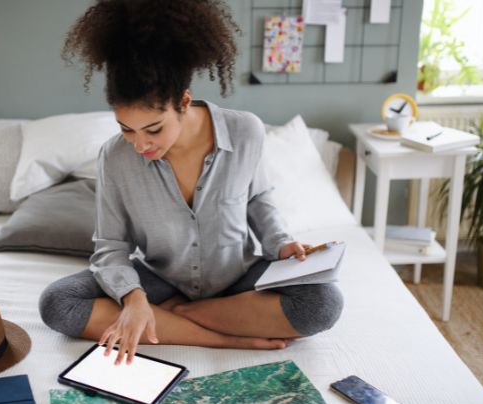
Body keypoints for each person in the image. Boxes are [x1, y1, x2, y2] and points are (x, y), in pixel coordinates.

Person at [40, 0, 343, 365]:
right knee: (58, 303)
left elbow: (258, 198)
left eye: (153, 129)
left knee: (324, 302)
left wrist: (280, 244)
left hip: (238, 276)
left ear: (183, 102)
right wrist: (134, 299)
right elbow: (110, 246)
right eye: (126, 129)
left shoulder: (244, 130)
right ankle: (222, 338)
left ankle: (177, 315)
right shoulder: (114, 157)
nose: (140, 144)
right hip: (159, 279)